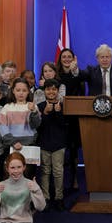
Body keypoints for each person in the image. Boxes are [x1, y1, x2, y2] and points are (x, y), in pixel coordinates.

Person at [0, 77, 42, 179]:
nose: (21, 93)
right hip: (11, 146)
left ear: (28, 92)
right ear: (13, 91)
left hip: (29, 146)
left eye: (24, 90)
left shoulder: (32, 107)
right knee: (11, 176)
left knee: (28, 176)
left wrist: (34, 112)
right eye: (18, 90)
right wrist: (13, 142)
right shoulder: (7, 107)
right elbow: (2, 127)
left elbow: (36, 125)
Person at [55, 48, 85, 191]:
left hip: (74, 119)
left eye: (69, 57)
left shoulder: (77, 75)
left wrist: (74, 73)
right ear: (60, 59)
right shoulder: (56, 76)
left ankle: (74, 179)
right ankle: (59, 181)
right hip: (59, 117)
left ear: (73, 59)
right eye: (64, 57)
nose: (66, 59)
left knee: (73, 151)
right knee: (60, 151)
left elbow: (79, 93)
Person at [37, 79, 68, 211]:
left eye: (54, 89)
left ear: (57, 91)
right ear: (44, 91)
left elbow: (65, 125)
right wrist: (46, 113)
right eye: (48, 89)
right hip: (44, 143)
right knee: (45, 171)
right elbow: (37, 126)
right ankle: (45, 197)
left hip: (59, 144)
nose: (51, 92)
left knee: (58, 171)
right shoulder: (40, 106)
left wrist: (59, 113)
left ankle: (59, 198)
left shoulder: (63, 105)